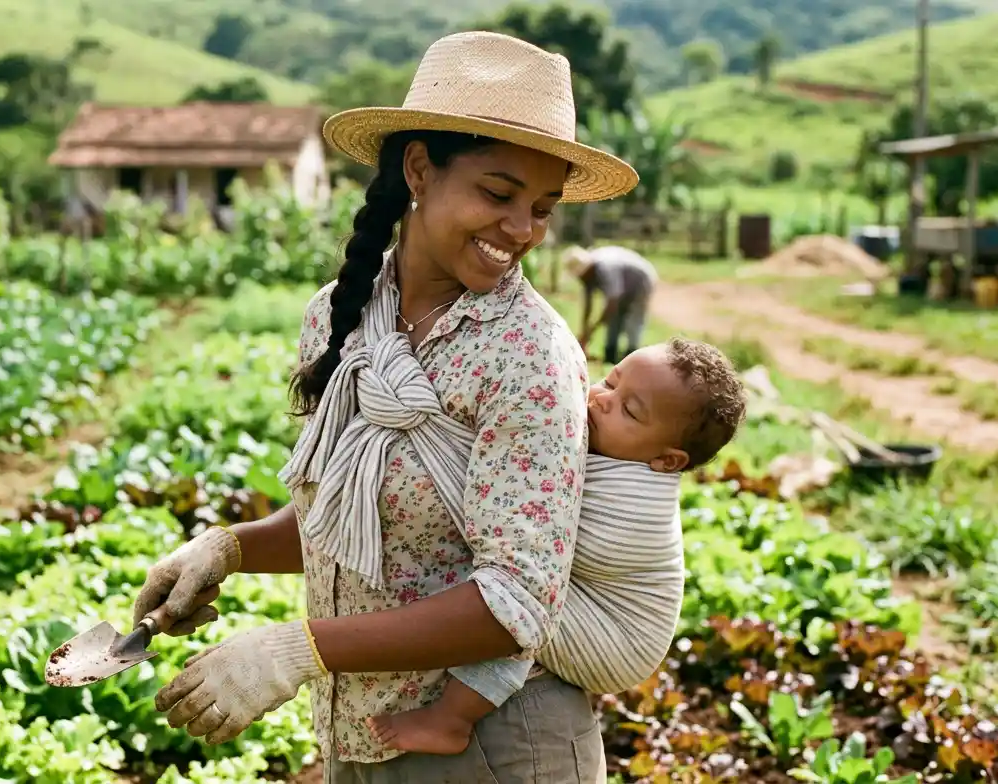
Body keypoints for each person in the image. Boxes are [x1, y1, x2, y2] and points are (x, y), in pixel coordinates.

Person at [129, 31, 640, 782]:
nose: (524, 230)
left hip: (498, 744)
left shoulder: (528, 353)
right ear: (419, 169)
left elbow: (514, 602)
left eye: (541, 207)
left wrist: (296, 649)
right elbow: (352, 522)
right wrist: (228, 549)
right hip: (363, 738)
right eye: (498, 195)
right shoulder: (340, 318)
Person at [367, 337, 748, 756]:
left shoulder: (635, 499)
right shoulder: (616, 450)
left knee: (517, 602)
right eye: (610, 381)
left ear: (668, 460)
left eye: (630, 410)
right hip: (602, 615)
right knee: (518, 589)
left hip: (617, 641)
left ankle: (451, 719)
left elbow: (538, 545)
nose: (602, 399)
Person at [566, 244, 659, 365]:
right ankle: (611, 355)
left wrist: (592, 330)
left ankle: (631, 355)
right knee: (615, 320)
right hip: (622, 284)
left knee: (633, 320)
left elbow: (612, 303)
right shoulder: (588, 275)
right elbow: (588, 304)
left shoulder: (606, 268)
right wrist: (584, 334)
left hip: (641, 280)